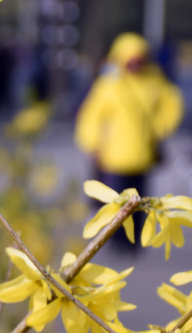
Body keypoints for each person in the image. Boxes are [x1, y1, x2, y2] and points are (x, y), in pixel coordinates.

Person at [75, 32, 183, 252]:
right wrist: (92, 143)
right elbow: (91, 115)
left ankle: (134, 244)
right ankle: (116, 242)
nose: (135, 65)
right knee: (116, 205)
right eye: (131, 61)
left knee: (140, 203)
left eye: (139, 60)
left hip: (141, 155)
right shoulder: (109, 84)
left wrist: (160, 128)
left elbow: (173, 103)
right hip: (114, 156)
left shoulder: (154, 80)